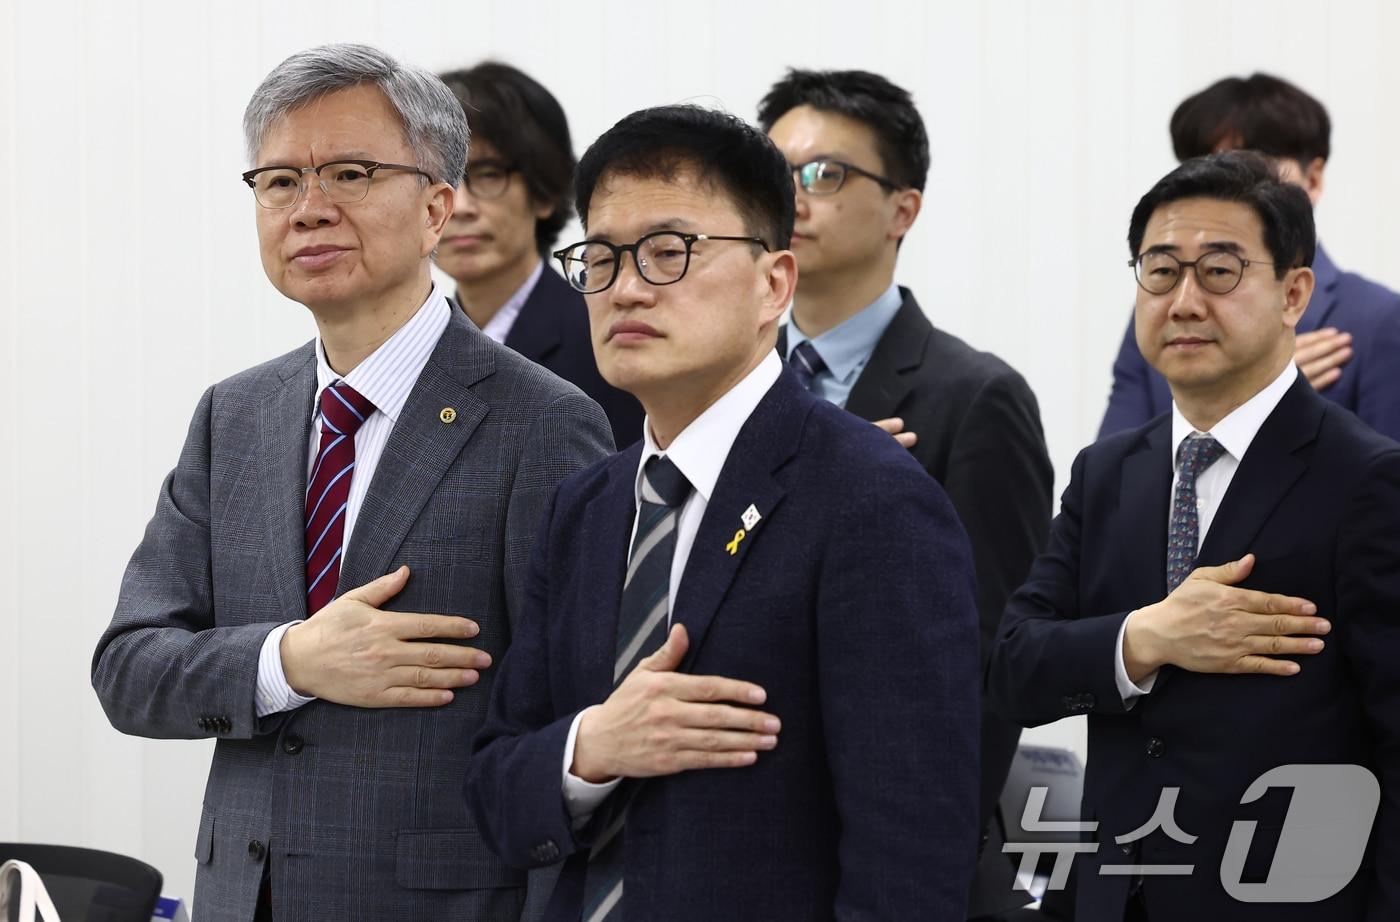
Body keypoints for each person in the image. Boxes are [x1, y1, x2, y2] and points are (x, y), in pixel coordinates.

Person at [91, 43, 612, 922]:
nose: (309, 208)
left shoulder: (544, 422)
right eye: (279, 182)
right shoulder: (234, 416)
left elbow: (573, 718)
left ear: (437, 207)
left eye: (349, 173)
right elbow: (129, 669)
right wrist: (288, 661)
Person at [466, 104, 981, 921]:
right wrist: (592, 747)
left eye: (669, 252)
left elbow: (910, 854)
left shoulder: (871, 497)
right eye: (600, 258)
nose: (626, 287)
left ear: (774, 283)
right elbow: (497, 791)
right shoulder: (585, 506)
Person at [989, 150, 1400, 921]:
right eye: (1160, 271)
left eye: (1219, 271)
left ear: (1294, 293)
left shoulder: (1367, 479)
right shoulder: (1108, 471)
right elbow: (1014, 666)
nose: (1183, 301)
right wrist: (1146, 638)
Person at [759, 68, 1052, 918]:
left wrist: (923, 859)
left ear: (903, 209)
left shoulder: (976, 397)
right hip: (735, 826)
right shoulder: (723, 384)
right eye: (776, 174)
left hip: (884, 842)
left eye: (826, 174)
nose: (794, 197)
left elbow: (990, 662)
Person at [1100, 72, 1400, 441]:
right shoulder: (1162, 309)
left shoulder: (1377, 320)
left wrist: (1280, 395)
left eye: (1254, 164)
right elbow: (1118, 462)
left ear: (1313, 179)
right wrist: (1242, 397)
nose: (1225, 184)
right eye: (1205, 166)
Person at [437, 62, 643, 448]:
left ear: (545, 190)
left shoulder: (604, 337)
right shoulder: (413, 349)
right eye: (442, 178)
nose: (460, 206)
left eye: (488, 174)